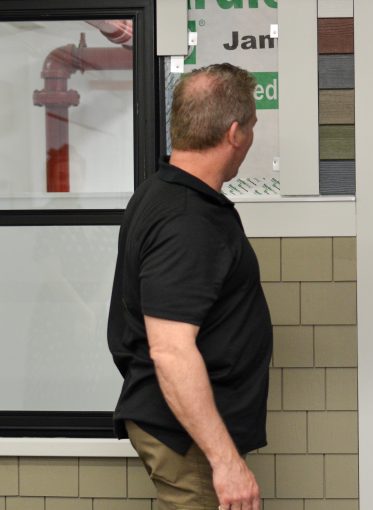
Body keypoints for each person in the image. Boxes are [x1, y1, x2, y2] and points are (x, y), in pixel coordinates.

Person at [108, 63, 271, 510]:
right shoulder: (187, 219)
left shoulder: (164, 191)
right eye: (253, 125)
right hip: (188, 437)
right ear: (235, 133)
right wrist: (225, 462)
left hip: (186, 426)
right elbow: (171, 350)